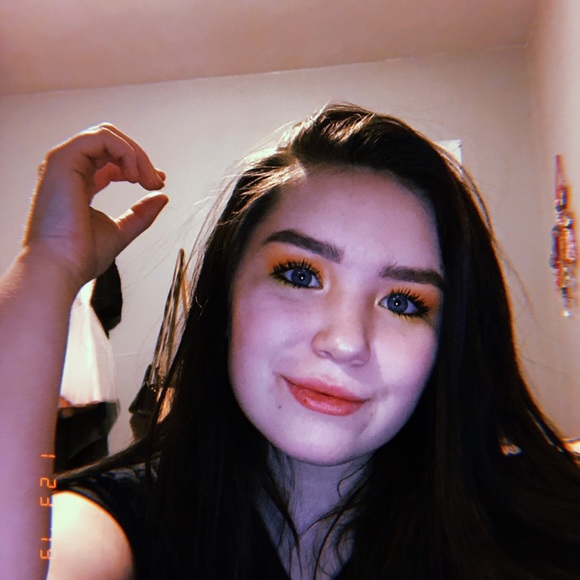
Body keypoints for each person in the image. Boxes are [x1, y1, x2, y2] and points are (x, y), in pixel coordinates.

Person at [1, 104, 579, 580]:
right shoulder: (118, 522)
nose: (345, 342)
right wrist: (48, 267)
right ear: (227, 299)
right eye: (300, 275)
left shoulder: (536, 526)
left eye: (404, 302)